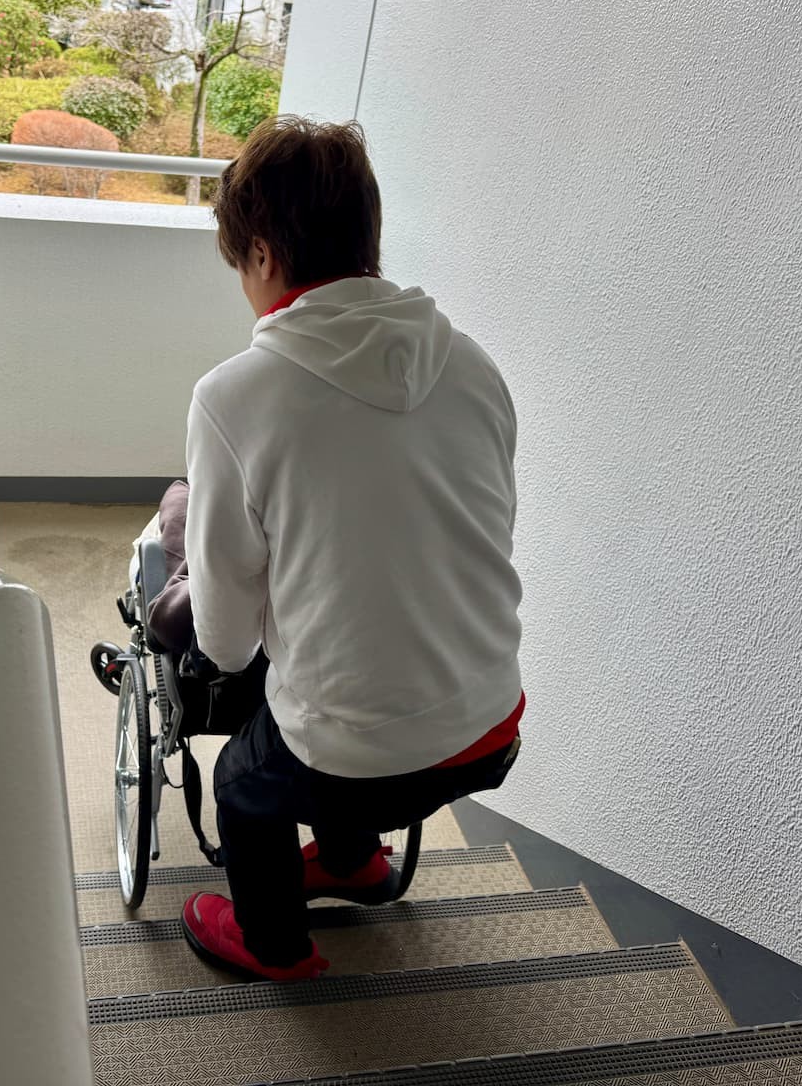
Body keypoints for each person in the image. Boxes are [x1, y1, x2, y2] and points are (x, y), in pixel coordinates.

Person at [177, 116, 526, 982]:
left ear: (262, 255)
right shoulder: (473, 365)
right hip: (490, 724)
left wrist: (239, 638)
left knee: (245, 780)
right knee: (347, 685)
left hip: (353, 763)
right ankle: (353, 862)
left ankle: (274, 945)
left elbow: (226, 636)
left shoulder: (234, 397)